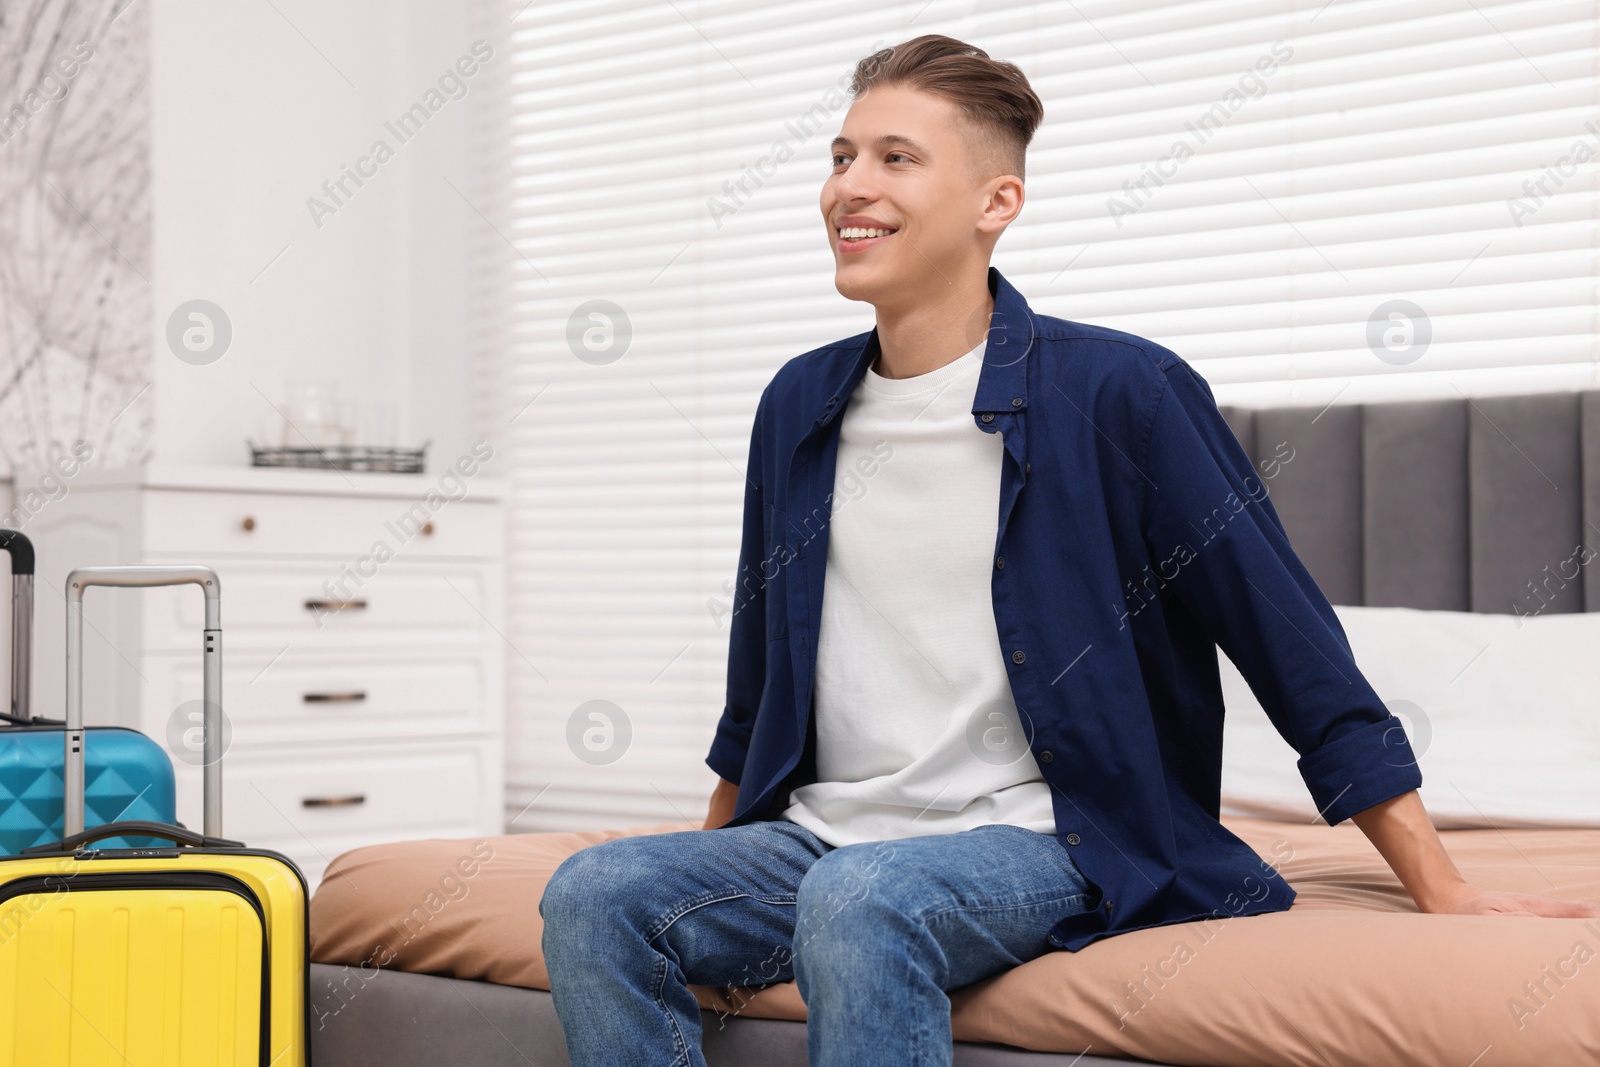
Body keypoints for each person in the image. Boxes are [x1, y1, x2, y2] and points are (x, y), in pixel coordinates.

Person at [540, 34, 1600, 1067]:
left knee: (864, 899)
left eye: (896, 159)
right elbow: (759, 666)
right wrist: (715, 841)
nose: (848, 186)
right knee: (595, 893)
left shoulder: (1122, 396)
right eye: (840, 156)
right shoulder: (798, 404)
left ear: (996, 203)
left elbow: (1288, 642)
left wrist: (1439, 884)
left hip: (1055, 836)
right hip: (826, 836)